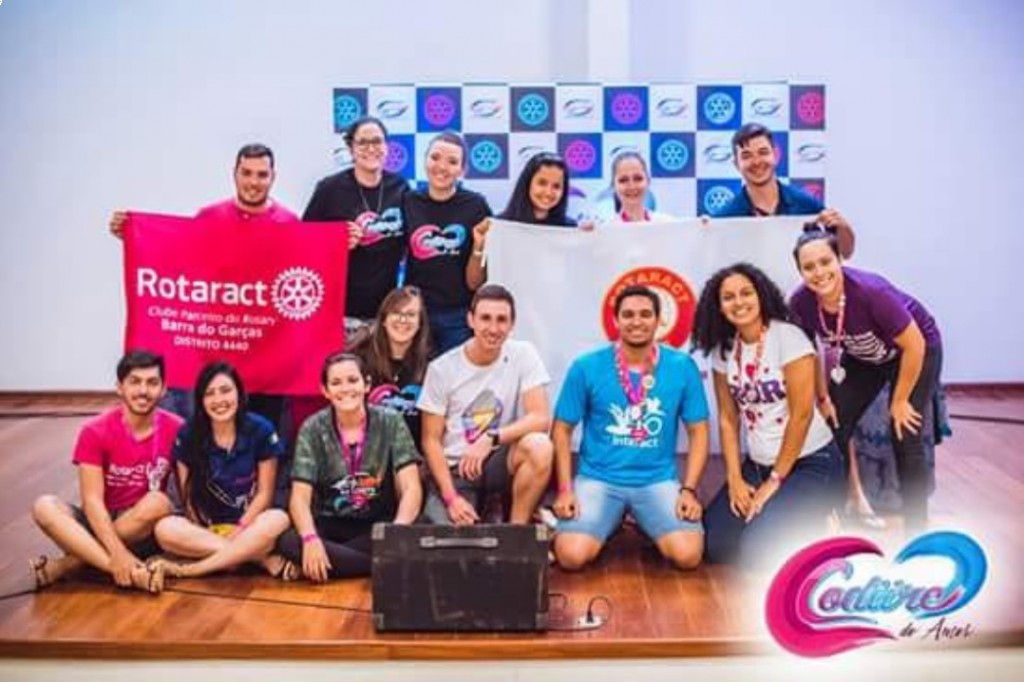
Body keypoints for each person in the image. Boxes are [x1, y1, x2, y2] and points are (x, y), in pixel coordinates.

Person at [108, 143, 298, 424]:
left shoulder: (289, 223)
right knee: (209, 421)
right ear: (234, 174)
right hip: (215, 342)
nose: (253, 182)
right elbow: (176, 260)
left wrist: (340, 245)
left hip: (265, 347)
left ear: (273, 177)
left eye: (262, 174)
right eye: (246, 173)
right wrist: (134, 236)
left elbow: (304, 272)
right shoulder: (209, 217)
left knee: (262, 425)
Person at [789, 227, 943, 533]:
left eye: (825, 262)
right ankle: (835, 516)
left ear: (839, 260)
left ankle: (916, 530)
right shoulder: (801, 303)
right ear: (800, 271)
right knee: (834, 425)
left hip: (916, 350)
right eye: (809, 267)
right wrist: (823, 397)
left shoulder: (872, 292)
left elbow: (914, 345)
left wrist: (900, 400)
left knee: (904, 430)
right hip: (864, 357)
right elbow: (806, 354)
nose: (819, 273)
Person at [693, 264, 843, 566]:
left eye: (746, 293)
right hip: (759, 464)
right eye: (728, 297)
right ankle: (787, 516)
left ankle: (820, 523)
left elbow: (801, 415)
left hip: (811, 463)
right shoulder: (724, 351)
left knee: (758, 551)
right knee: (715, 546)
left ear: (760, 296)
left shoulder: (788, 337)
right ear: (719, 307)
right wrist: (735, 478)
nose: (739, 302)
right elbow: (728, 419)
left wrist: (774, 482)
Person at [551, 285, 709, 571]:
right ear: (616, 320)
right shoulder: (586, 366)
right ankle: (610, 522)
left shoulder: (682, 366)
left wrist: (688, 490)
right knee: (571, 557)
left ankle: (645, 522)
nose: (637, 321)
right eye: (628, 315)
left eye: (645, 314)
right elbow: (561, 429)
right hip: (598, 479)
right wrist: (564, 489)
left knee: (688, 556)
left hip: (657, 481)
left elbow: (699, 431)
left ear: (659, 320)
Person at [29, 351, 182, 594]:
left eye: (152, 383)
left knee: (158, 502)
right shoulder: (94, 431)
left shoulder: (177, 427)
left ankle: (70, 563)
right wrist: (118, 553)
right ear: (120, 387)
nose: (143, 390)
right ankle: (128, 570)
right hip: (98, 520)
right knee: (43, 506)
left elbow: (186, 490)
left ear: (163, 389)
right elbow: (92, 501)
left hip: (142, 529)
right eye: (135, 382)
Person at [278, 353, 422, 581]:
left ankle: (326, 564)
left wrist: (397, 531)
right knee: (289, 541)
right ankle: (383, 563)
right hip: (331, 524)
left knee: (419, 527)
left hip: (377, 524)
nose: (345, 389)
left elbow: (411, 486)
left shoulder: (391, 420)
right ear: (325, 390)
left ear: (367, 384)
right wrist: (310, 539)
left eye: (353, 380)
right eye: (336, 383)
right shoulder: (312, 428)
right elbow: (299, 498)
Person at [417, 284, 553, 525]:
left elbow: (540, 417)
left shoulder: (523, 353)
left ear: (512, 324)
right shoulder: (442, 369)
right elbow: (431, 440)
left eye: (502, 320)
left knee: (540, 446)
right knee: (451, 536)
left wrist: (492, 437)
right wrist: (451, 498)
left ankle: (517, 531)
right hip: (456, 468)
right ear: (470, 320)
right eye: (485, 318)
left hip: (499, 460)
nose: (493, 328)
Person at [151, 362, 293, 580]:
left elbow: (265, 494)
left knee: (279, 518)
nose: (219, 400)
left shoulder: (261, 429)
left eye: (226, 390)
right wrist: (203, 529)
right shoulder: (188, 433)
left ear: (239, 393)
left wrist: (241, 529)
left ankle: (190, 570)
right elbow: (188, 496)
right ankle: (257, 559)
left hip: (250, 526)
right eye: (210, 394)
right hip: (207, 530)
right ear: (201, 400)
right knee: (164, 528)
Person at [302, 117, 410, 338]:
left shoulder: (400, 187)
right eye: (362, 142)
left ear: (386, 146)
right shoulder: (329, 189)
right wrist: (335, 241)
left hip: (385, 313)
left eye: (377, 141)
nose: (371, 148)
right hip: (340, 312)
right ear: (351, 148)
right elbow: (303, 243)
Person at [403, 131, 492, 354]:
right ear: (425, 160)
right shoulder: (408, 201)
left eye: (452, 162)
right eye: (435, 157)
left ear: (462, 170)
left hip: (459, 315)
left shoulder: (476, 205)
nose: (441, 167)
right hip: (417, 313)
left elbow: (483, 268)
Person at [711, 123, 855, 258]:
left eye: (763, 152)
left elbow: (844, 253)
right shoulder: (725, 218)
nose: (756, 162)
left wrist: (843, 227)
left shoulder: (807, 206)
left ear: (775, 155)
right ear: (736, 164)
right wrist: (704, 233)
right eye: (747, 156)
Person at [353, 285, 431, 444]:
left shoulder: (433, 366)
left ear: (420, 323)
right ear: (383, 320)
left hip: (413, 453)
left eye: (410, 314)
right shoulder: (358, 360)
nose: (403, 320)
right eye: (396, 312)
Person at [497, 152, 577, 227]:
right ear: (527, 183)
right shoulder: (500, 225)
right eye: (542, 183)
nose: (548, 192)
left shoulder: (570, 227)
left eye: (556, 186)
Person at [608, 151, 674, 223]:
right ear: (613, 186)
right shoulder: (605, 227)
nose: (632, 186)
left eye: (638, 178)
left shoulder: (668, 224)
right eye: (623, 180)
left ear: (648, 181)